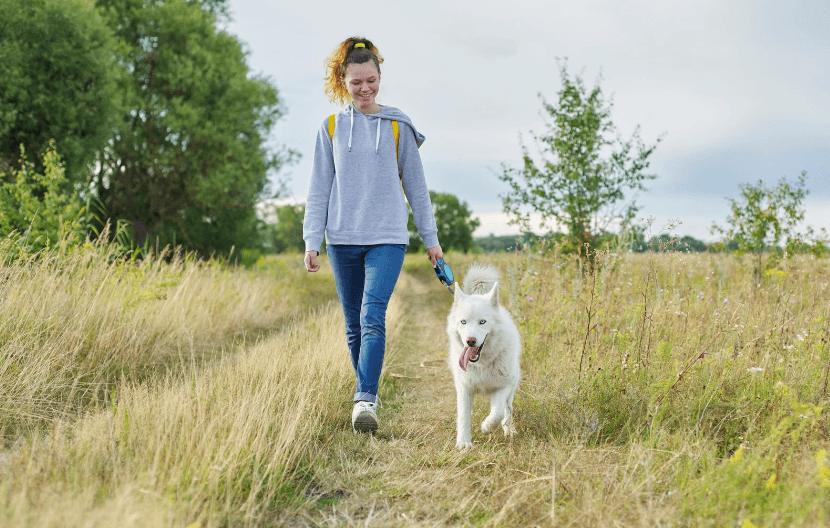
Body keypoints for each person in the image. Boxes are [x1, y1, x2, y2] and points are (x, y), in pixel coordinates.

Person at [302, 37, 443, 433]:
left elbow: (417, 189)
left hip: (388, 237)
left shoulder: (398, 126)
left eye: (371, 81)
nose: (365, 89)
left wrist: (431, 240)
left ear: (380, 78)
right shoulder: (331, 127)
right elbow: (319, 188)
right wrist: (312, 240)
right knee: (353, 325)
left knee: (371, 315)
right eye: (356, 83)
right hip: (342, 238)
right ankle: (368, 392)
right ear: (343, 81)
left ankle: (364, 399)